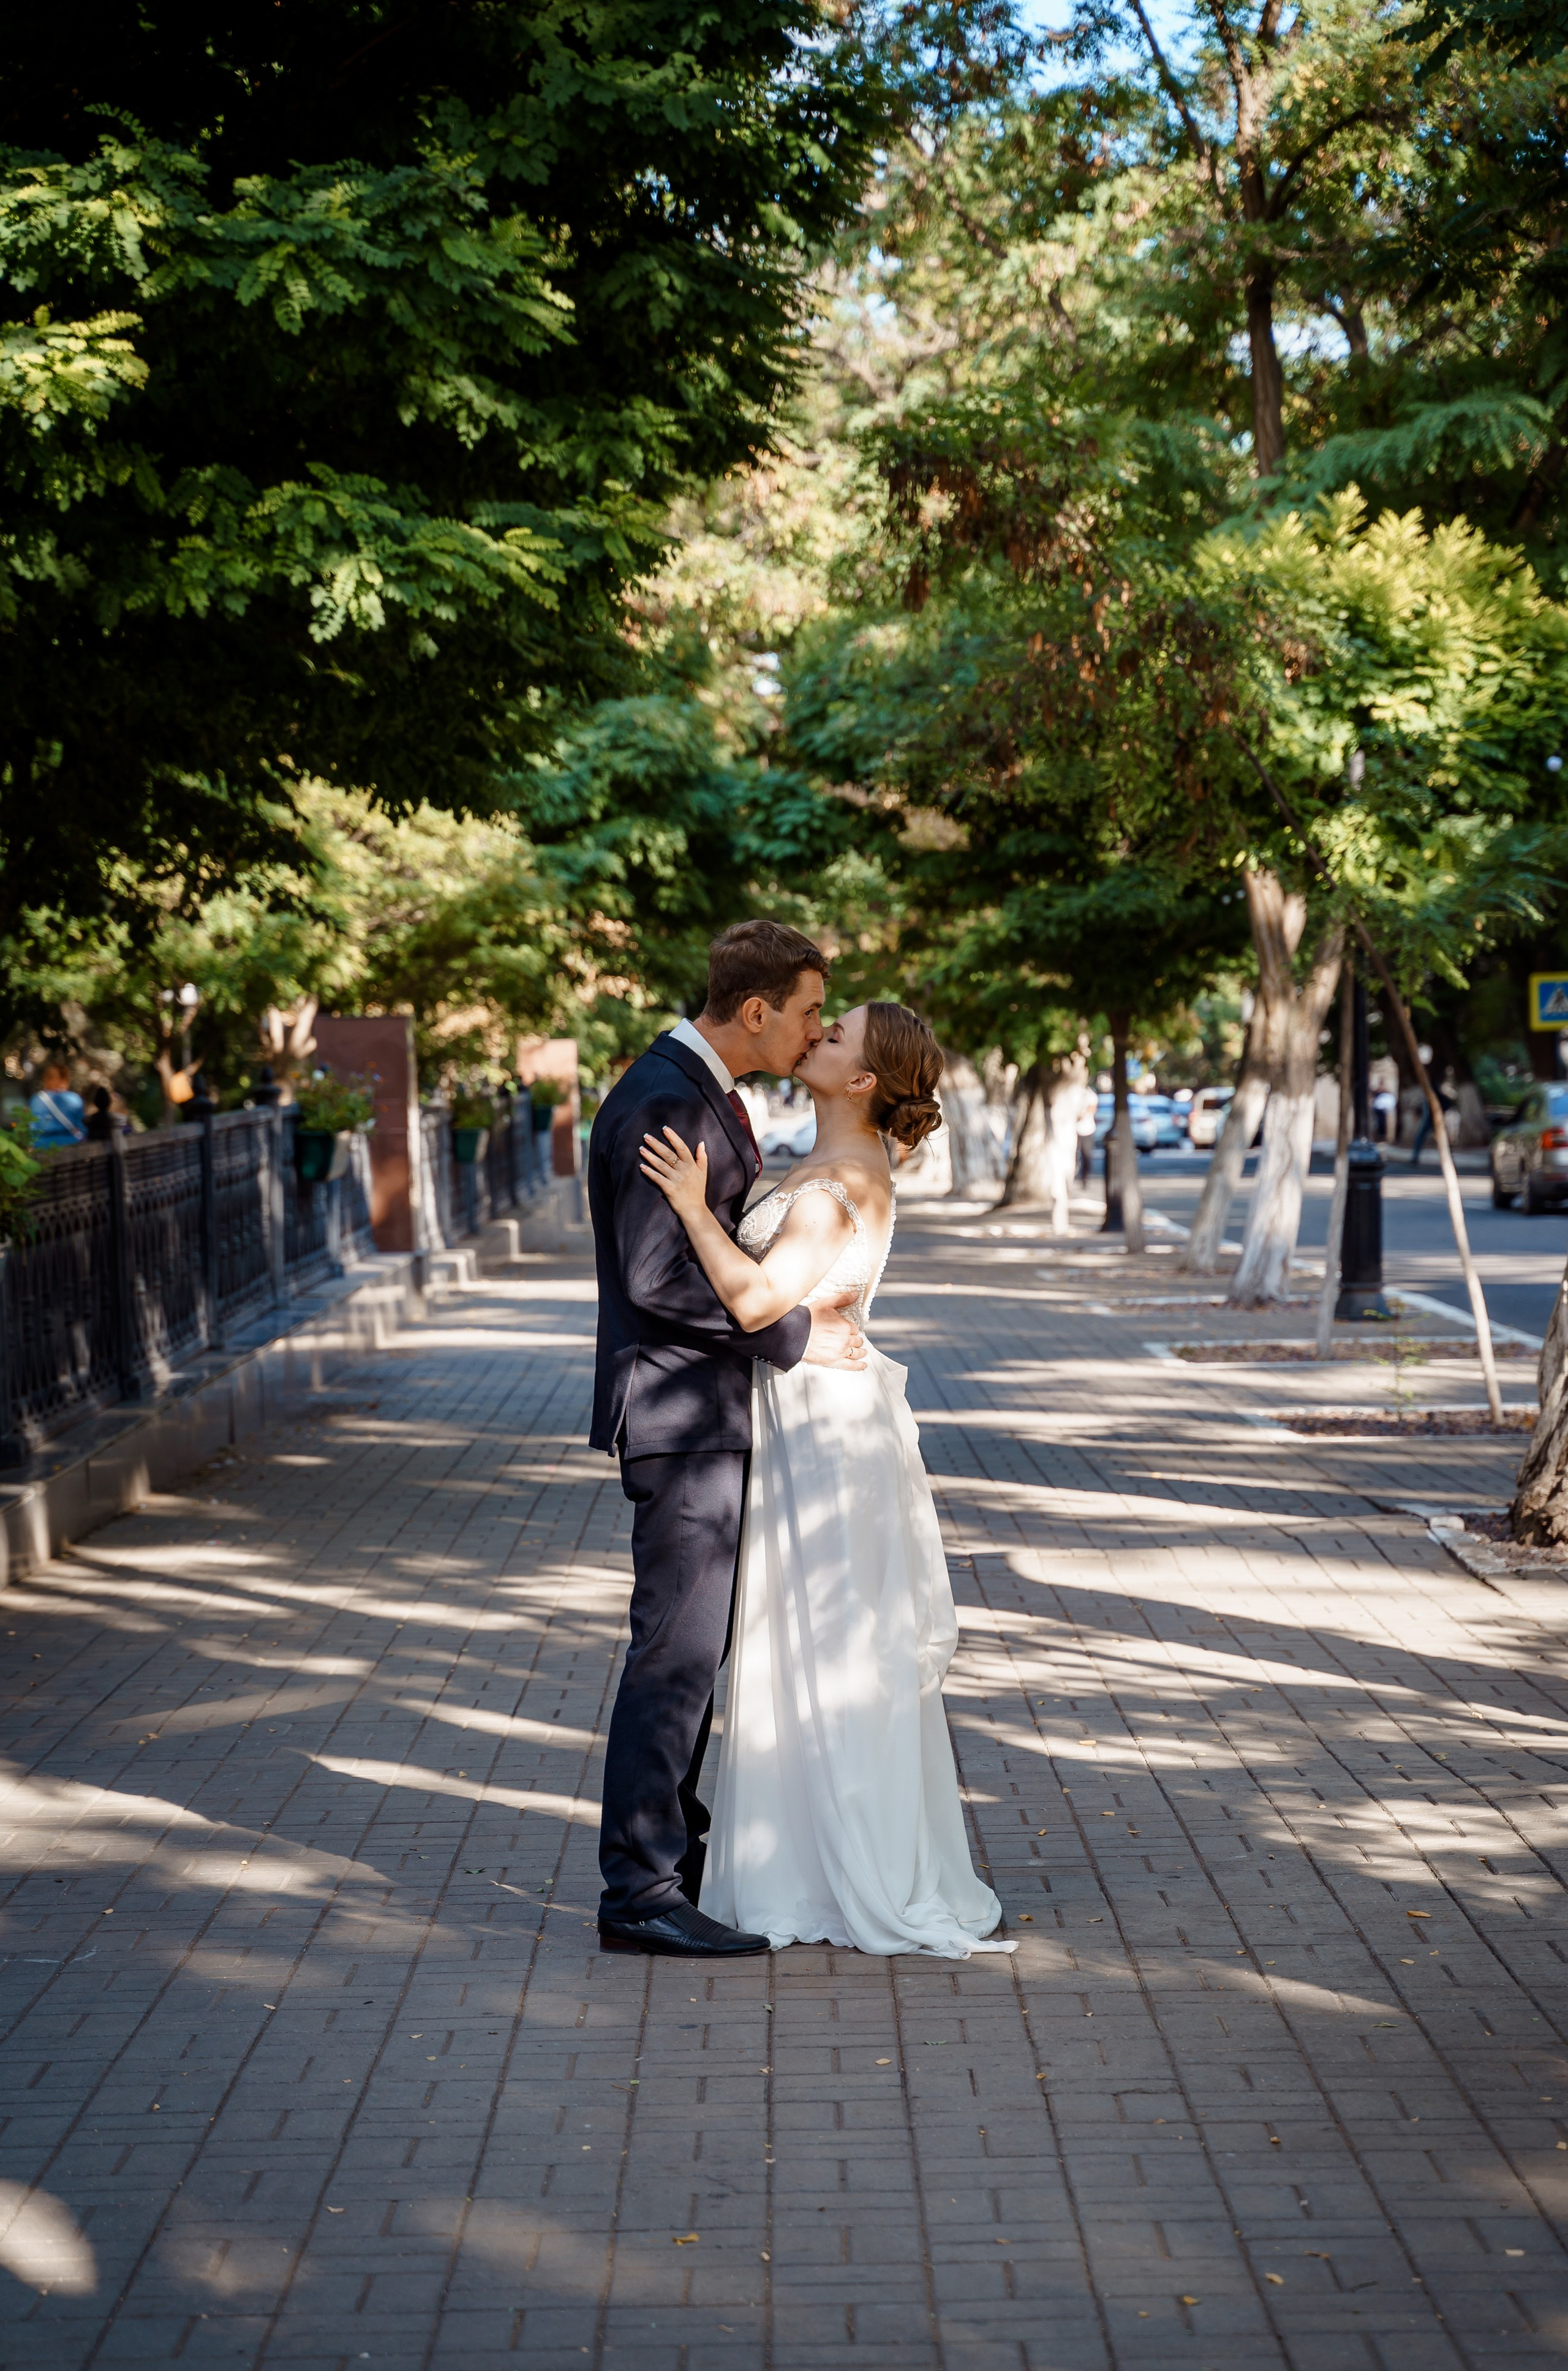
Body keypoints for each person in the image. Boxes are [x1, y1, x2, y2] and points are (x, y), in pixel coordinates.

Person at [639, 1000, 1012, 1959]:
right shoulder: (829, 1165)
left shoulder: (837, 1178)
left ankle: (833, 1874)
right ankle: (815, 1858)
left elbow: (762, 1297)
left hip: (822, 1431)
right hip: (817, 1411)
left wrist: (688, 1206)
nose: (817, 1035)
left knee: (826, 1647)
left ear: (862, 1082)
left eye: (835, 1034)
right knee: (816, 1645)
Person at [587, 921, 867, 1961]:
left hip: (703, 1417)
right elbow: (657, 1281)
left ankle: (679, 1860)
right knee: (674, 1657)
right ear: (757, 1012)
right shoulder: (667, 1099)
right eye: (806, 1013)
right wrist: (793, 1333)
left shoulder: (697, 1091)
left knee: (694, 1659)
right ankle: (641, 1893)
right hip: (678, 1420)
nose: (815, 1030)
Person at [28, 1060, 86, 1148]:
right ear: (66, 1079)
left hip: (43, 1147)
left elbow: (32, 1129)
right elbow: (82, 1127)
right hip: (71, 1146)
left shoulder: (36, 1099)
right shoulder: (75, 1099)